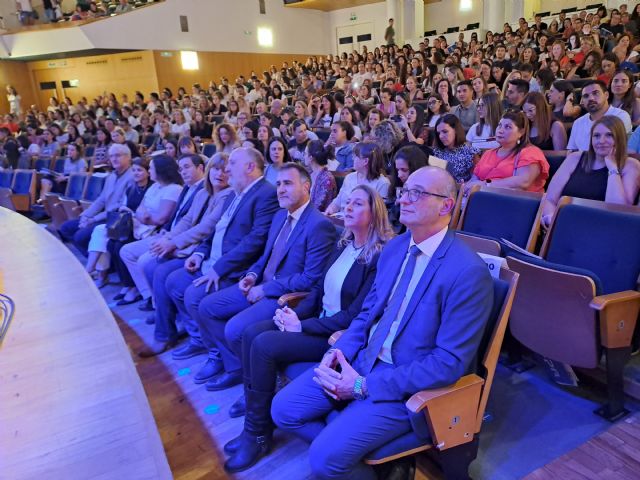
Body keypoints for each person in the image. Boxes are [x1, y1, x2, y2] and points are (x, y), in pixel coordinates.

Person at [271, 166, 494, 480]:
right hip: (361, 358)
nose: (404, 198)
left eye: (417, 193)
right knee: (283, 410)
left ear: (446, 205)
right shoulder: (395, 248)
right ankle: (373, 461)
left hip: (402, 384)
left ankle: (347, 452)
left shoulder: (467, 272)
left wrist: (363, 386)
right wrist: (340, 353)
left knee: (323, 459)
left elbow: (449, 363)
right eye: (405, 191)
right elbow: (367, 314)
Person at [223, 185, 393, 472]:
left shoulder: (378, 257)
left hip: (336, 337)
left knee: (264, 345)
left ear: (374, 213)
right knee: (251, 332)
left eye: (357, 204)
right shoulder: (343, 245)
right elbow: (316, 290)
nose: (348, 207)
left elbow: (354, 316)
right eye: (347, 202)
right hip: (314, 323)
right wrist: (293, 315)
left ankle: (258, 433)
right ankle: (253, 424)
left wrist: (301, 326)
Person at [188, 162, 336, 391]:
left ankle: (254, 384)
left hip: (286, 298)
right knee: (206, 306)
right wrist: (251, 275)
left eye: (288, 183)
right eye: (278, 184)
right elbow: (265, 256)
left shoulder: (319, 225)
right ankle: (238, 368)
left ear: (306, 186)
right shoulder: (279, 216)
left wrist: (265, 289)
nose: (280, 189)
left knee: (235, 329)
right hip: (259, 285)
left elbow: (310, 278)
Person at [543, 116, 640, 228]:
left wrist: (612, 168)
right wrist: (552, 218)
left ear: (620, 139)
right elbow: (550, 199)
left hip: (602, 230)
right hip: (563, 225)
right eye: (596, 136)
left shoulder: (630, 165)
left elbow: (617, 211)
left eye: (609, 135)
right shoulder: (574, 158)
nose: (601, 141)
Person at [117, 154, 185, 306]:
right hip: (143, 227)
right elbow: (141, 209)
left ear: (160, 170)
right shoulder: (154, 186)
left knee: (137, 256)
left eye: (151, 168)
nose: (149, 170)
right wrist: (144, 216)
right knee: (123, 249)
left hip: (157, 232)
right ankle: (147, 294)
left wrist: (145, 216)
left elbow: (160, 219)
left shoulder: (174, 189)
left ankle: (154, 300)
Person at [86, 157, 152, 288]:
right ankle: (94, 270)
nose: (136, 173)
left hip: (141, 225)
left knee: (109, 240)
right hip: (126, 222)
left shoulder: (151, 189)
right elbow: (123, 205)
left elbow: (147, 213)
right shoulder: (131, 187)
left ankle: (93, 271)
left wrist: (130, 212)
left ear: (148, 172)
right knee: (101, 232)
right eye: (133, 170)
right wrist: (124, 209)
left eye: (139, 170)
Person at [59, 143, 134, 256]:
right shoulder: (112, 175)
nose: (114, 159)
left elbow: (119, 207)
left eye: (118, 155)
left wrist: (93, 219)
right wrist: (85, 216)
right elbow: (101, 199)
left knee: (80, 236)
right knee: (65, 228)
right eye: (111, 156)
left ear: (128, 157)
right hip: (103, 216)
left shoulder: (132, 177)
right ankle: (95, 258)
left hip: (117, 219)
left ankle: (100, 264)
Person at [466, 111, 549, 193]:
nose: (500, 130)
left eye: (508, 127)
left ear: (521, 132)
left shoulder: (531, 152)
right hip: (482, 199)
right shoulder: (488, 153)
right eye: (499, 125)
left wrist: (484, 184)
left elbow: (524, 182)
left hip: (516, 202)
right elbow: (474, 179)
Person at [325, 142, 391, 215]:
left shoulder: (383, 183)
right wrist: (330, 209)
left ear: (365, 161)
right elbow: (338, 201)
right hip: (341, 219)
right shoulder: (349, 177)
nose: (353, 158)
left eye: (356, 156)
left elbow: (379, 214)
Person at [567, 80, 632, 151]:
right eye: (586, 96)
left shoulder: (620, 116)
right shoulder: (578, 123)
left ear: (606, 95)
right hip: (583, 161)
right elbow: (571, 151)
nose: (591, 98)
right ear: (582, 101)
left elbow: (617, 149)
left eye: (595, 93)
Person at [431, 114, 480, 183]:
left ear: (456, 130)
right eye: (438, 133)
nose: (441, 136)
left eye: (445, 131)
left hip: (462, 190)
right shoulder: (437, 151)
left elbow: (476, 179)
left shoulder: (470, 152)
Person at [303, 139, 337, 212]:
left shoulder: (327, 179)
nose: (304, 156)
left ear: (311, 157)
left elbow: (318, 206)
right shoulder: (308, 174)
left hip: (319, 218)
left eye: (305, 153)